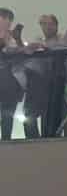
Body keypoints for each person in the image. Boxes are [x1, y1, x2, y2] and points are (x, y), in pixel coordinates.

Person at [22, 13, 67, 139]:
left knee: (49, 119)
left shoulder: (62, 38)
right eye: (43, 24)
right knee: (29, 116)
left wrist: (43, 46)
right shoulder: (38, 39)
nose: (46, 27)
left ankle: (47, 144)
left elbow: (63, 49)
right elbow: (25, 53)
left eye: (49, 24)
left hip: (52, 83)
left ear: (56, 25)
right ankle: (33, 144)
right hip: (34, 83)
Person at [0, 8, 23, 142]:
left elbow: (22, 54)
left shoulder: (13, 36)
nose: (6, 20)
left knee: (7, 115)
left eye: (9, 18)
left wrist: (18, 38)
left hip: (11, 82)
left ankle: (5, 142)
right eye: (3, 17)